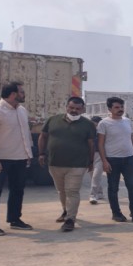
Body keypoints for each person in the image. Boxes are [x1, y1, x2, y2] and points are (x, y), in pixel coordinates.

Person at [0, 81, 34, 235]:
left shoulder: (21, 110)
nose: (24, 94)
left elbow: (25, 135)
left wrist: (27, 154)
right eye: (21, 92)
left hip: (19, 158)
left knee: (18, 190)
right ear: (13, 94)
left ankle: (15, 220)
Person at [38, 97, 96, 231]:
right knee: (61, 191)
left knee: (72, 191)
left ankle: (70, 219)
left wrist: (91, 161)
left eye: (77, 108)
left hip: (77, 164)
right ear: (66, 107)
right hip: (55, 163)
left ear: (82, 109)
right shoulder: (53, 120)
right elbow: (43, 136)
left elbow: (91, 144)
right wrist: (41, 153)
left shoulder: (88, 124)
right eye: (71, 108)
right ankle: (65, 211)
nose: (74, 111)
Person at [97, 97, 133, 223]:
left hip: (129, 159)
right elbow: (100, 144)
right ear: (110, 109)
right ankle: (116, 213)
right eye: (116, 107)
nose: (120, 109)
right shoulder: (104, 123)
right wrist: (104, 161)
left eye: (121, 107)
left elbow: (130, 138)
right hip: (112, 160)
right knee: (113, 188)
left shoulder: (127, 121)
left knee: (132, 186)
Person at [88, 116, 106, 206]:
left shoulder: (103, 132)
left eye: (96, 124)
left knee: (96, 175)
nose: (95, 126)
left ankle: (93, 195)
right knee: (92, 176)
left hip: (100, 155)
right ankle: (100, 193)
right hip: (90, 155)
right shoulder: (88, 132)